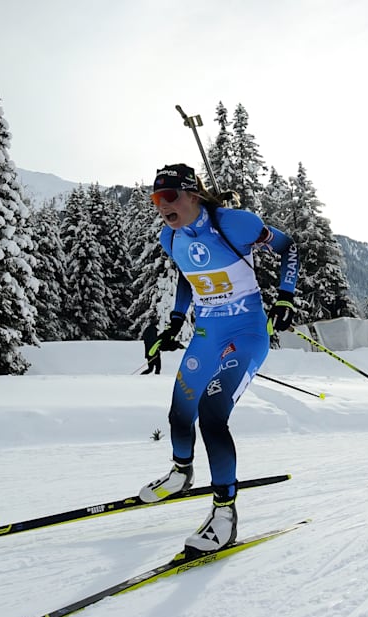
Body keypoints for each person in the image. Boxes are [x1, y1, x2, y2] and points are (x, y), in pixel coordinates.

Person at [139, 163, 299, 556]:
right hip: (208, 333)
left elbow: (288, 246)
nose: (162, 206)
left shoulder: (236, 224)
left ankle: (224, 514)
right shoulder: (169, 237)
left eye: (170, 197)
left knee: (212, 413)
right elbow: (185, 274)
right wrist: (176, 321)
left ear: (193, 195)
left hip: (245, 334)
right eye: (156, 199)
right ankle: (181, 473)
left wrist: (285, 295)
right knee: (180, 411)